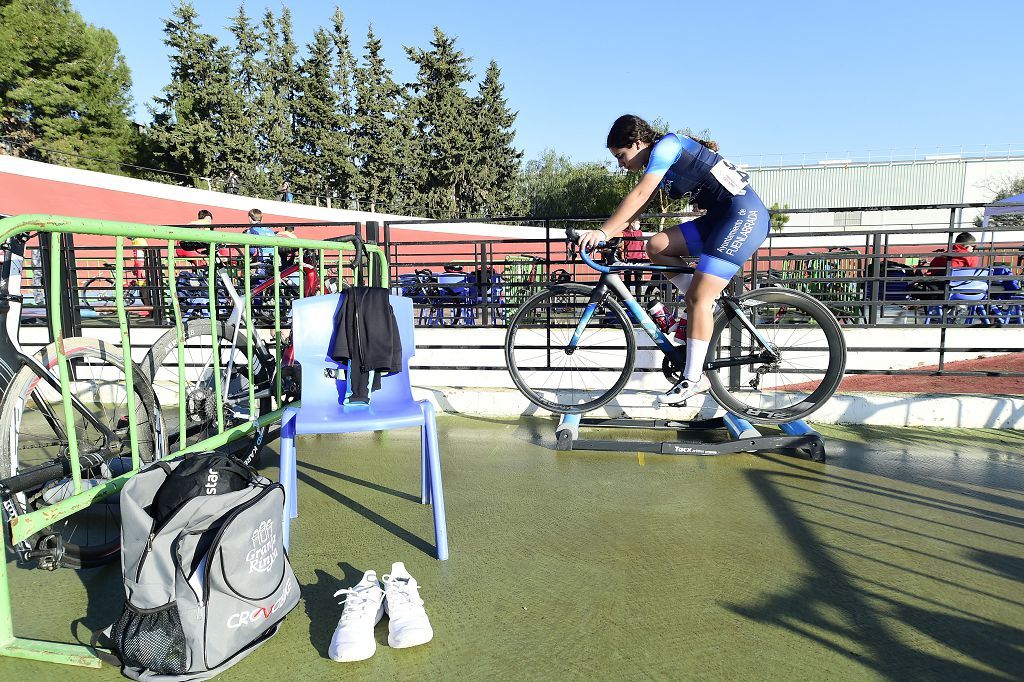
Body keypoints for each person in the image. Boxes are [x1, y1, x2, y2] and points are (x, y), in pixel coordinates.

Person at [577, 114, 770, 406]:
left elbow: (640, 194)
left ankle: (694, 378)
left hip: (743, 217)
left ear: (638, 142)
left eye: (621, 155)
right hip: (720, 219)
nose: (621, 164)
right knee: (656, 246)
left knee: (697, 299)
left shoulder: (666, 146)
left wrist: (602, 231)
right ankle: (702, 304)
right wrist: (608, 234)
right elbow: (635, 213)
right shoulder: (661, 160)